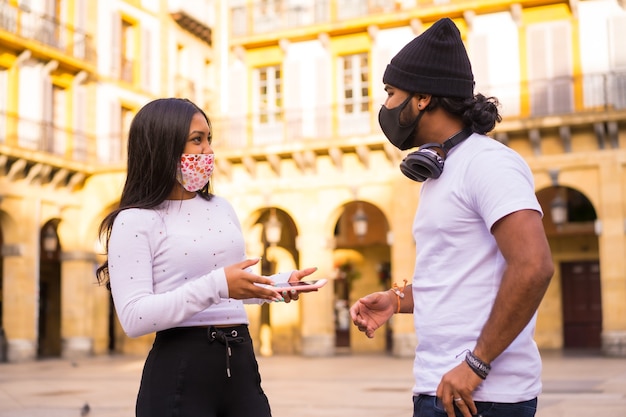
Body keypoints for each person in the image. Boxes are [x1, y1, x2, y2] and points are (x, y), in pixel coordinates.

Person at [350, 18, 554, 417]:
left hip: (483, 396)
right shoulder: (441, 171)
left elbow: (534, 266)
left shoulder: (488, 163)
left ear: (423, 97)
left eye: (391, 93)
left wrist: (476, 364)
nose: (385, 106)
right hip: (439, 386)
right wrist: (396, 301)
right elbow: (458, 280)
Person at [96, 97, 317, 417]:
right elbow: (134, 317)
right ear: (163, 145)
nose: (209, 151)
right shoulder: (135, 220)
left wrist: (278, 286)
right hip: (180, 372)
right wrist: (219, 285)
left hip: (240, 364)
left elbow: (231, 287)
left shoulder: (221, 207)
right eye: (197, 140)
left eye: (209, 139)